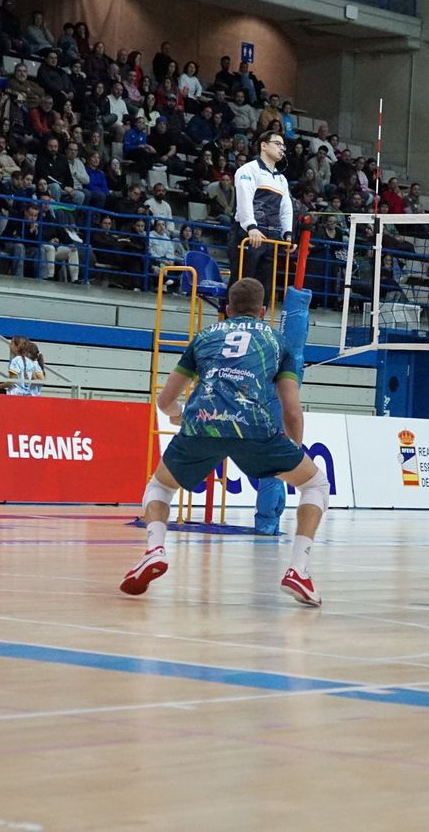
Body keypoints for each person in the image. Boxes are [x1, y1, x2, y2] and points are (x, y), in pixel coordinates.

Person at [120, 278, 330, 605]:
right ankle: (298, 570)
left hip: (202, 424)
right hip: (254, 428)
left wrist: (178, 415)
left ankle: (154, 549)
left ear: (228, 310)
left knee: (159, 486)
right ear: (263, 311)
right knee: (315, 483)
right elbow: (291, 409)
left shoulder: (205, 336)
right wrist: (293, 451)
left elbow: (165, 400)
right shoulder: (278, 342)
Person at [234, 129, 294, 293]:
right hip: (250, 233)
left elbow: (286, 208)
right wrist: (251, 226)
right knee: (243, 282)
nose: (281, 148)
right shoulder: (248, 170)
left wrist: (287, 233)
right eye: (277, 144)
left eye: (283, 146)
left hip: (272, 236)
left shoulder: (281, 179)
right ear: (264, 146)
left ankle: (262, 310)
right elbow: (244, 199)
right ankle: (231, 310)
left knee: (265, 285)